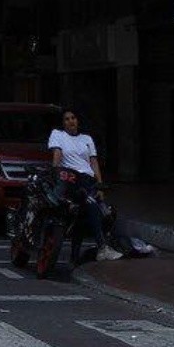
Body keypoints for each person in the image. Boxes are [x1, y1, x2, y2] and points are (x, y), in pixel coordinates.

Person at [48, 109, 122, 262]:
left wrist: (99, 185)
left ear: (78, 120)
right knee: (90, 204)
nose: (71, 121)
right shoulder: (58, 135)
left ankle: (75, 256)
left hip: (88, 180)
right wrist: (55, 174)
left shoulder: (86, 139)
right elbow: (57, 155)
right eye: (67, 119)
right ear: (63, 123)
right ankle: (102, 247)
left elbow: (93, 162)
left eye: (73, 118)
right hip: (71, 179)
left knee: (90, 214)